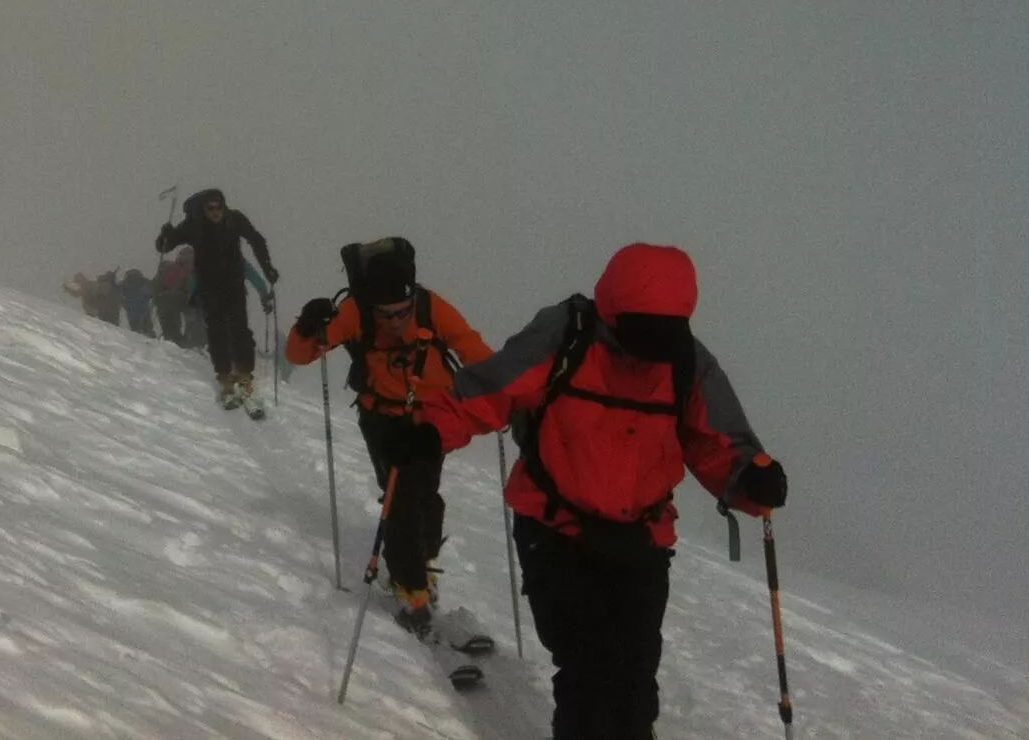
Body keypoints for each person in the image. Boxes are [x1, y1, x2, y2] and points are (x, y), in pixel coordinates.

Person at [416, 242, 788, 740]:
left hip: (641, 540)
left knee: (634, 682)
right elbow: (491, 389)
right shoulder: (566, 336)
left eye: (663, 333)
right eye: (642, 331)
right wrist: (429, 431)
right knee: (589, 675)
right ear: (613, 312)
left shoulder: (686, 360)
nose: (651, 348)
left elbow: (717, 443)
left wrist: (750, 478)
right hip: (555, 530)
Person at [285, 237, 492, 639]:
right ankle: (410, 587)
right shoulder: (355, 312)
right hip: (381, 416)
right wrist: (306, 326)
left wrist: (502, 387)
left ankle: (420, 565)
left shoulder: (431, 307)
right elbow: (299, 354)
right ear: (372, 305)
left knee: (425, 494)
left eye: (402, 312)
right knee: (401, 496)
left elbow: (472, 349)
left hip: (430, 419)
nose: (395, 322)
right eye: (386, 314)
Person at [155, 188, 278, 408]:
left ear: (224, 205)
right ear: (203, 209)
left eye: (218, 206)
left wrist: (267, 268)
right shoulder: (194, 225)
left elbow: (256, 240)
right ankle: (225, 377)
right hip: (209, 287)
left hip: (233, 285)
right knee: (217, 331)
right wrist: (166, 235)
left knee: (240, 329)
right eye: (209, 208)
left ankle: (244, 375)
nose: (214, 211)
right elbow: (165, 246)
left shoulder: (234, 219)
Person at [152, 246, 196, 346]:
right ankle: (178, 339)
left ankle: (180, 339)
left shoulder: (178, 270)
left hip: (176, 300)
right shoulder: (174, 270)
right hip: (173, 300)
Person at [117, 268, 155, 335]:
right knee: (146, 319)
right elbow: (151, 291)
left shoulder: (124, 283)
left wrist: (124, 303)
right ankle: (148, 332)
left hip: (131, 306)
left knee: (134, 322)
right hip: (143, 305)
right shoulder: (144, 281)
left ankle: (137, 334)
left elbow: (118, 291)